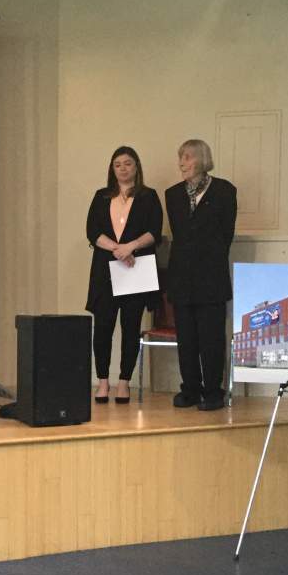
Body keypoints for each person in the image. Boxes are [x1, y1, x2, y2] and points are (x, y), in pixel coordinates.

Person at [86, 146, 163, 404]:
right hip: (105, 270)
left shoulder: (149, 196)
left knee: (131, 327)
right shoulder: (101, 196)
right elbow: (92, 231)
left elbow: (154, 230)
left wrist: (130, 248)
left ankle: (124, 382)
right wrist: (118, 250)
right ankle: (103, 381)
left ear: (136, 166)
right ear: (112, 168)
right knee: (103, 327)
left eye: (127, 163)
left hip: (135, 269)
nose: (122, 168)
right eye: (117, 164)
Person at [165, 139, 237, 411]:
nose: (182, 163)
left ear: (202, 159)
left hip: (211, 277)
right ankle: (190, 389)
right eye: (180, 158)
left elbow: (224, 236)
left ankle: (213, 392)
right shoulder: (172, 194)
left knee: (211, 338)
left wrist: (204, 260)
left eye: (187, 157)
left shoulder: (224, 191)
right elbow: (180, 236)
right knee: (187, 339)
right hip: (182, 277)